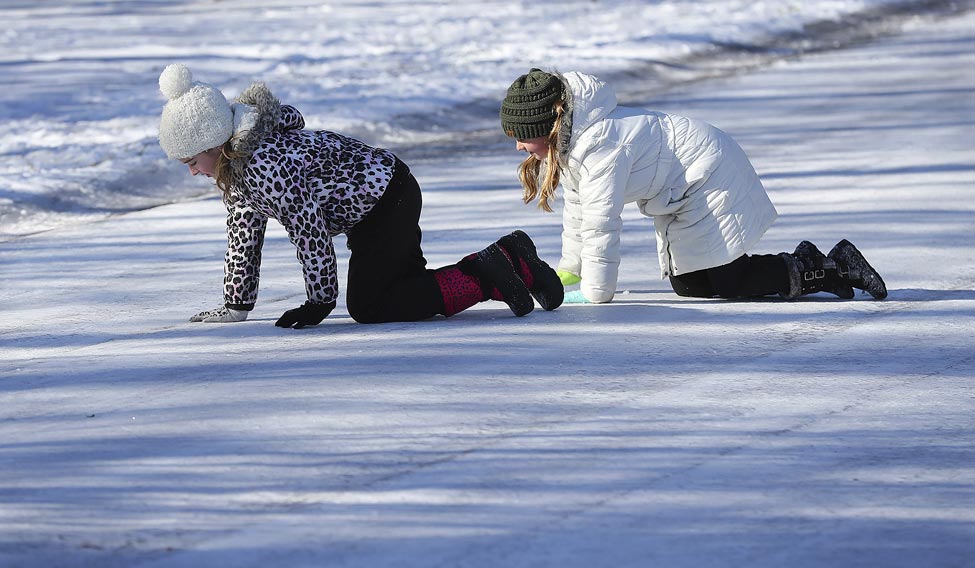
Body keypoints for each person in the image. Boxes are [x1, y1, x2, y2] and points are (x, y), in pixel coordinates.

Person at [157, 63, 562, 328]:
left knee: (372, 306)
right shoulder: (238, 168)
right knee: (402, 290)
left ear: (215, 144)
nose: (193, 171)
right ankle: (507, 261)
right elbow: (243, 234)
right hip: (381, 198)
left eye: (192, 160)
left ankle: (497, 269)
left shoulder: (263, 163)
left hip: (385, 201)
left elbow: (308, 232)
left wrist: (319, 303)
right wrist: (236, 307)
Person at [499, 68, 887, 304]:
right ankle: (812, 260)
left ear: (546, 126)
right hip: (682, 192)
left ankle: (829, 267)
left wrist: (598, 292)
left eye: (521, 136)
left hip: (708, 175)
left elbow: (602, 222)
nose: (518, 146)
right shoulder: (570, 145)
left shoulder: (600, 146)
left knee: (728, 281)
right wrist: (571, 269)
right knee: (691, 286)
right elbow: (579, 211)